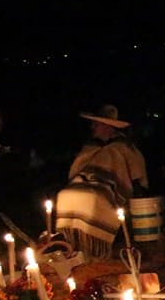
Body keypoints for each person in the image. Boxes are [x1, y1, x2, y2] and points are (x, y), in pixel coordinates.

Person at [55, 105, 148, 258]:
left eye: (96, 124)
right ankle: (72, 243)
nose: (92, 127)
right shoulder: (91, 146)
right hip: (84, 184)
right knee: (65, 195)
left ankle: (93, 246)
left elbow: (134, 172)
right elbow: (77, 169)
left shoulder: (123, 147)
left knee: (93, 200)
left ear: (107, 126)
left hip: (109, 189)